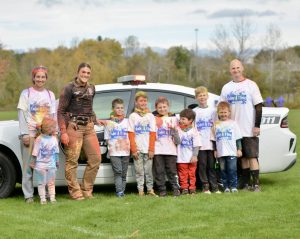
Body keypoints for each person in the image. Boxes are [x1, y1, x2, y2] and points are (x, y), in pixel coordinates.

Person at [57, 62, 101, 200]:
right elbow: (61, 111)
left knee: (96, 159)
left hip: (89, 127)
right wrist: (63, 131)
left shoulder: (92, 88)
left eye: (88, 73)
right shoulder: (68, 88)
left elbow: (89, 108)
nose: (85, 75)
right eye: (83, 72)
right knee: (72, 161)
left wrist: (96, 119)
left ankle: (87, 189)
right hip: (73, 127)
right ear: (78, 72)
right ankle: (75, 192)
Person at [220, 59, 263, 192]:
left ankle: (256, 184)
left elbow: (259, 106)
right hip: (233, 130)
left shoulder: (251, 85)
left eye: (238, 67)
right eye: (233, 68)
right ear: (230, 70)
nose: (236, 70)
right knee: (242, 157)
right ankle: (245, 184)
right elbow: (222, 107)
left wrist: (257, 126)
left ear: (242, 68)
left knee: (252, 156)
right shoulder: (226, 87)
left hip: (248, 128)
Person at [17, 65, 56, 203]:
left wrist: (54, 133)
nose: (40, 79)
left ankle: (44, 194)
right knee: (28, 166)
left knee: (44, 165)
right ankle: (28, 195)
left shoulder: (50, 94)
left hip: (45, 136)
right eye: (37, 76)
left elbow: (52, 115)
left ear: (46, 78)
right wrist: (24, 134)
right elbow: (21, 114)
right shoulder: (26, 93)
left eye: (43, 77)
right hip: (31, 133)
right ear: (33, 77)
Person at [128, 91, 157, 196]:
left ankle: (150, 189)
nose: (143, 103)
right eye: (141, 101)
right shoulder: (133, 116)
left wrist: (151, 149)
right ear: (136, 102)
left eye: (145, 101)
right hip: (138, 149)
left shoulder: (150, 116)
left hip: (148, 149)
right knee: (139, 170)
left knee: (149, 171)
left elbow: (153, 133)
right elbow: (130, 134)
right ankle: (140, 190)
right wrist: (134, 149)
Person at [193, 86, 220, 194]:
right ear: (196, 98)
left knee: (212, 166)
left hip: (211, 142)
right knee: (202, 165)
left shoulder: (213, 111)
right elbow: (193, 129)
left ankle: (214, 186)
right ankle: (205, 186)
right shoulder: (194, 112)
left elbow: (216, 126)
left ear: (207, 96)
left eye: (204, 95)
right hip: (200, 144)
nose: (202, 97)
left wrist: (216, 143)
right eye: (200, 96)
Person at [212, 101, 242, 193]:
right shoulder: (216, 124)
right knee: (223, 170)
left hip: (232, 151)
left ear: (229, 113)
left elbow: (238, 138)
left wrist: (239, 149)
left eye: (225, 112)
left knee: (232, 169)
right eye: (221, 112)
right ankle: (226, 187)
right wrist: (215, 150)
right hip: (221, 152)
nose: (223, 114)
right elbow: (214, 139)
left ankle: (233, 186)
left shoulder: (233, 123)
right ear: (218, 113)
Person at [153, 96, 180, 197]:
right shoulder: (154, 119)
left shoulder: (174, 119)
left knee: (172, 171)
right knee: (159, 171)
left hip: (171, 150)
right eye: (160, 107)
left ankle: (176, 188)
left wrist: (174, 130)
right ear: (156, 108)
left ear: (168, 107)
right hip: (158, 150)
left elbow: (178, 140)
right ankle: (162, 190)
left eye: (164, 107)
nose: (162, 109)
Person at [104, 98, 130, 197]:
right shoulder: (109, 122)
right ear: (113, 109)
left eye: (122, 108)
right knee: (118, 171)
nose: (120, 110)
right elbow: (107, 138)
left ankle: (122, 191)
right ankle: (119, 191)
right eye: (117, 108)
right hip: (114, 152)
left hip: (126, 151)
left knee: (124, 173)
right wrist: (113, 146)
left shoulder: (127, 121)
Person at [31, 117, 59, 204]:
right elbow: (35, 152)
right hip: (41, 166)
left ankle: (52, 198)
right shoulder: (39, 139)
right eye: (54, 127)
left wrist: (57, 162)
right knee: (42, 183)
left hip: (51, 165)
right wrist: (33, 162)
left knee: (50, 182)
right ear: (48, 128)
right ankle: (43, 199)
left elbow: (56, 152)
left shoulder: (54, 139)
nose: (55, 129)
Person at [176, 108, 201, 195]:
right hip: (181, 157)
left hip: (191, 158)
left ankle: (192, 188)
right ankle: (184, 188)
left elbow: (196, 144)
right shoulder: (178, 129)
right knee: (183, 174)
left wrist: (195, 155)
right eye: (180, 118)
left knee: (192, 174)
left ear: (190, 120)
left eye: (183, 119)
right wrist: (175, 132)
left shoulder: (194, 131)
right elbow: (177, 142)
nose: (181, 120)